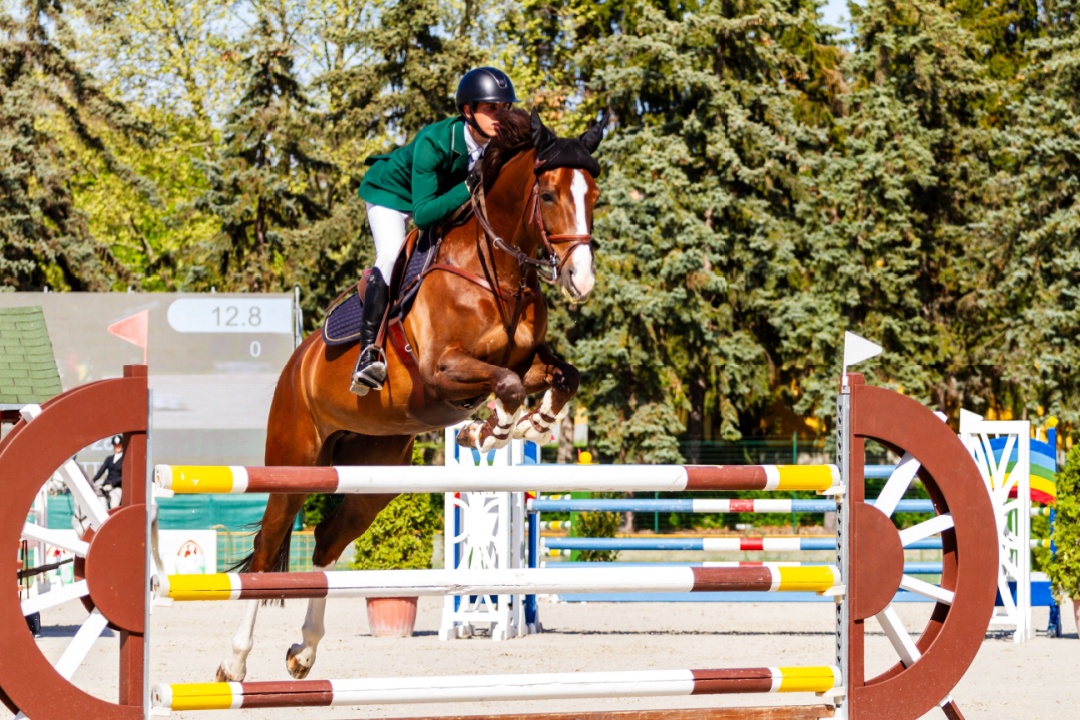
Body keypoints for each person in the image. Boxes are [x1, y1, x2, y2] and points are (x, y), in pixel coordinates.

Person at [350, 66, 520, 395]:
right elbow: (424, 215)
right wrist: (469, 185)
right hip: (393, 197)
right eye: (491, 108)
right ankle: (368, 352)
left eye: (505, 107)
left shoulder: (499, 141)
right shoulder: (435, 141)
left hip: (437, 199)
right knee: (391, 255)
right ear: (467, 111)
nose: (500, 115)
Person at [92, 435, 124, 509]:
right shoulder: (109, 459)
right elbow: (101, 471)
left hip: (117, 487)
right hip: (106, 485)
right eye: (115, 445)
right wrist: (92, 481)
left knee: (114, 505)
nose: (117, 447)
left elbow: (124, 476)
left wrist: (113, 483)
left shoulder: (124, 459)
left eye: (119, 445)